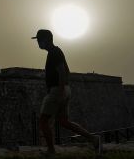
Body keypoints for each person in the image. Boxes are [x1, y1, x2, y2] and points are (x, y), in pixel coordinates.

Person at [32, 29, 102, 157]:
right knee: (64, 121)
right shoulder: (56, 52)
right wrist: (64, 89)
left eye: (38, 40)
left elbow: (62, 72)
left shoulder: (54, 53)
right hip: (64, 89)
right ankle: (93, 139)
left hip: (57, 90)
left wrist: (59, 91)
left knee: (43, 121)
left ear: (46, 40)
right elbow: (67, 71)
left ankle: (51, 150)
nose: (37, 43)